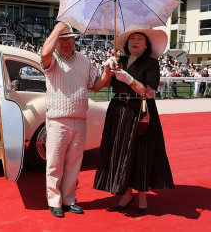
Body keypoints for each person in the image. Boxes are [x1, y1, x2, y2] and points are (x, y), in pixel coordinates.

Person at [93, 29, 175, 215]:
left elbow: (150, 92)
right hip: (117, 109)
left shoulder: (151, 63)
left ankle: (143, 195)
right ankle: (127, 193)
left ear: (146, 45)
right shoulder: (118, 61)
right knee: (119, 151)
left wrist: (129, 79)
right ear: (126, 43)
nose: (135, 41)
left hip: (140, 110)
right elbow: (99, 86)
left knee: (141, 152)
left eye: (140, 39)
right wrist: (107, 70)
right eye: (132, 38)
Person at [41, 22, 114, 218]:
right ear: (56, 41)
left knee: (74, 164)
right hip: (57, 119)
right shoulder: (52, 59)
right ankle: (54, 200)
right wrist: (58, 28)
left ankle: (69, 199)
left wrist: (108, 71)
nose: (65, 43)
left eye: (69, 39)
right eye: (61, 39)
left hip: (80, 119)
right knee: (55, 163)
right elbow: (44, 54)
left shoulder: (85, 61)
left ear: (74, 40)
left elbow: (96, 86)